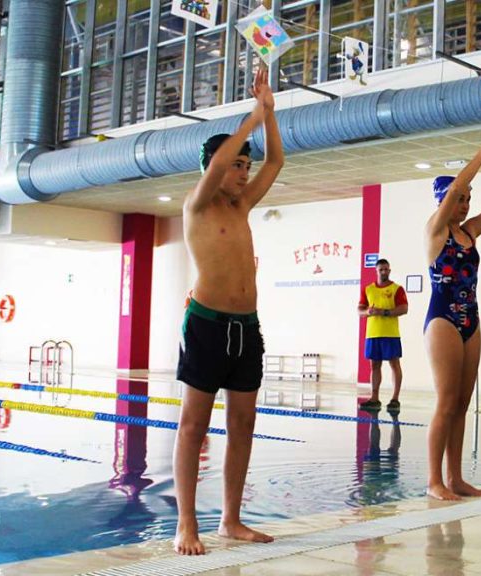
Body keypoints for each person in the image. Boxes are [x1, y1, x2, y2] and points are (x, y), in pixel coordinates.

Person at [173, 66, 284, 556]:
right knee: (193, 426)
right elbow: (218, 161)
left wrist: (270, 116)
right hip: (207, 326)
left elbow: (277, 162)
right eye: (238, 165)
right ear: (215, 168)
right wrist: (252, 115)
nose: (244, 172)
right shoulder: (197, 205)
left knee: (243, 423)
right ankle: (186, 525)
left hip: (247, 328)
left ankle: (231, 520)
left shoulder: (241, 207)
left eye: (245, 165)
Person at [423, 130, 481, 501]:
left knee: (462, 403)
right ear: (445, 201)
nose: (466, 204)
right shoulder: (435, 231)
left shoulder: (470, 231)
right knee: (445, 402)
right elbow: (462, 182)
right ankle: (434, 482)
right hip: (443, 318)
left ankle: (456, 478)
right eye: (460, 199)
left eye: (468, 200)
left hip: (471, 319)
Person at [358, 258, 408, 412]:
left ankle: (395, 399)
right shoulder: (368, 289)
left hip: (391, 334)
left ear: (390, 270)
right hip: (373, 334)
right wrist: (368, 312)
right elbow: (360, 311)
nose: (384, 272)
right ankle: (374, 398)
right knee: (374, 365)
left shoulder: (397, 289)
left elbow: (404, 309)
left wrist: (384, 312)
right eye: (381, 270)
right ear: (376, 271)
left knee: (394, 364)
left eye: (386, 269)